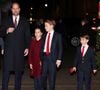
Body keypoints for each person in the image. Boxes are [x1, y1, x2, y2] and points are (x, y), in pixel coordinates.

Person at [0, 2, 31, 90]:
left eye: (17, 8)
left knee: (18, 75)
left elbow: (27, 36)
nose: (15, 10)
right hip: (8, 52)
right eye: (13, 8)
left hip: (19, 52)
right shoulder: (6, 20)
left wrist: (27, 47)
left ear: (19, 9)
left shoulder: (25, 21)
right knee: (6, 74)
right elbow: (1, 32)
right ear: (11, 10)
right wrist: (6, 30)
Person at [40, 19, 62, 90]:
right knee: (43, 77)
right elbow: (42, 46)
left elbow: (60, 48)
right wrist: (41, 57)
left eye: (46, 26)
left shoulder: (58, 35)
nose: (45, 27)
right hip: (45, 58)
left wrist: (59, 59)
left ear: (51, 26)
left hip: (53, 59)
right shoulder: (44, 35)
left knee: (52, 78)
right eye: (44, 26)